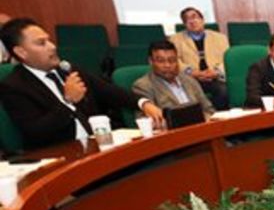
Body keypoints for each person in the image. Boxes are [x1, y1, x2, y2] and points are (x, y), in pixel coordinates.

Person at [0, 18, 164, 149]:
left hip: (96, 144)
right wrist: (68, 101)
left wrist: (143, 104)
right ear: (21, 52)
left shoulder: (66, 69)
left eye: (49, 40)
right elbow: (36, 132)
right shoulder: (14, 86)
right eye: (41, 43)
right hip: (59, 154)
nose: (52, 47)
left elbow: (108, 91)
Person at [132, 40, 214, 117]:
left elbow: (209, 109)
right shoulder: (143, 86)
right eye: (161, 61)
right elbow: (146, 120)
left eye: (172, 60)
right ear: (151, 61)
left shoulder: (189, 80)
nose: (167, 65)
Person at [168, 7, 229, 110]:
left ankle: (220, 117)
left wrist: (216, 71)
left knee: (223, 91)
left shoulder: (220, 38)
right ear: (184, 24)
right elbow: (174, 60)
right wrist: (191, 72)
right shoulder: (175, 39)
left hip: (215, 77)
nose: (192, 21)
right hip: (190, 79)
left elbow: (227, 58)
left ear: (202, 20)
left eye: (194, 17)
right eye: (187, 19)